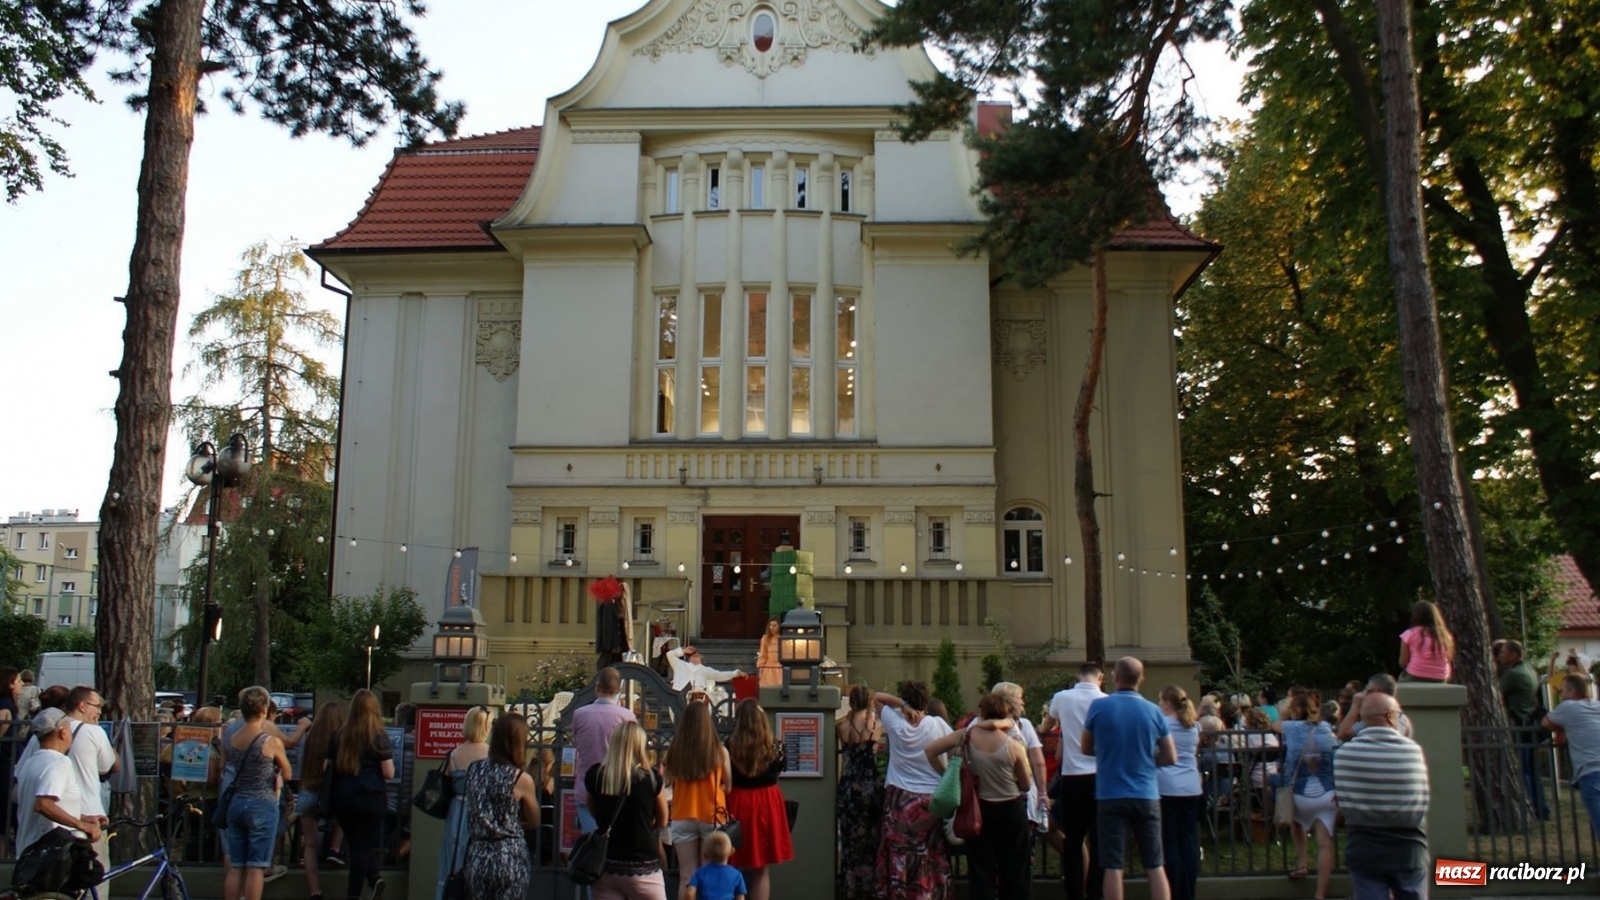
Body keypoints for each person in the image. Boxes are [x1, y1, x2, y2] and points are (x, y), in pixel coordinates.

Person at [1081, 658, 1176, 900]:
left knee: (1113, 866)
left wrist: (1108, 753)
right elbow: (1170, 756)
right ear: (1141, 679)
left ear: (1115, 677)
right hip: (1146, 794)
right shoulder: (1154, 711)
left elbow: (1085, 748)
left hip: (1110, 794)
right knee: (1155, 864)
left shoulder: (1098, 707)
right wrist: (1147, 758)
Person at [925, 693, 1032, 900]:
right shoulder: (1014, 745)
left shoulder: (966, 735)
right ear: (1005, 712)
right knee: (1015, 869)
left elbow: (930, 750)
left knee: (981, 870)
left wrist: (947, 773)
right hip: (1010, 809)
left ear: (982, 712)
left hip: (979, 809)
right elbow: (1026, 785)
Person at [1334, 693, 1430, 900]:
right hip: (1408, 849)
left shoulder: (1344, 754)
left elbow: (1343, 801)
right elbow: (1421, 801)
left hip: (1364, 848)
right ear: (1390, 716)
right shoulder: (1412, 751)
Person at [872, 681, 954, 899]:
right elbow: (954, 748)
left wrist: (902, 705)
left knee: (899, 851)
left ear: (906, 699)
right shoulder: (937, 724)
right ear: (926, 701)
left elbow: (876, 697)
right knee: (930, 852)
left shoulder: (896, 723)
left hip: (899, 797)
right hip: (931, 798)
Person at [1041, 663, 1108, 900]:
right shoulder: (1105, 701)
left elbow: (1046, 725)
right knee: (1099, 841)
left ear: (1078, 676)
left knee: (1073, 840)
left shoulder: (1062, 697)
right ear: (1100, 677)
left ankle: (1074, 891)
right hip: (1100, 778)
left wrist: (1040, 731)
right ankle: (1095, 892)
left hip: (1072, 777)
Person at [584, 721, 669, 900]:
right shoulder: (651, 778)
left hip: (606, 864)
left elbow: (592, 811)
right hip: (643, 864)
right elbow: (662, 820)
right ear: (640, 745)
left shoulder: (597, 775)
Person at [222, 685, 292, 900]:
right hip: (262, 803)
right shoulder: (270, 742)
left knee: (236, 866)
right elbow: (288, 773)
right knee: (255, 868)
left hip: (237, 802)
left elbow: (226, 764)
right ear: (264, 709)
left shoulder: (231, 738)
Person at [326, 689, 395, 900]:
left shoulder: (339, 735)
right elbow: (388, 773)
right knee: (363, 847)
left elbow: (327, 767)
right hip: (372, 796)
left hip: (344, 798)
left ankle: (373, 878)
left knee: (357, 845)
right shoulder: (378, 737)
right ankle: (357, 891)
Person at [463, 713, 540, 900]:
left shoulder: (474, 769)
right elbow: (535, 820)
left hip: (478, 853)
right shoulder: (520, 779)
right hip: (509, 855)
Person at [725, 700, 793, 900]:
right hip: (767, 802)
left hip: (737, 801)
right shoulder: (777, 747)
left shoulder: (729, 745)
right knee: (761, 869)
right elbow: (779, 771)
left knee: (731, 861)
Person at [664, 698, 732, 899]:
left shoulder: (674, 752)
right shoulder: (719, 751)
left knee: (687, 875)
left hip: (682, 815)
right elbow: (728, 786)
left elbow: (668, 781)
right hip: (712, 815)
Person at [12, 708, 102, 858]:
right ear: (63, 732)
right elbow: (43, 804)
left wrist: (82, 817)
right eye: (69, 728)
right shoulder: (59, 762)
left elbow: (46, 804)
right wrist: (82, 825)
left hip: (28, 851)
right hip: (51, 856)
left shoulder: (31, 762)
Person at [1278, 689, 1337, 900]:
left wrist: (1285, 716)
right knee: (1324, 844)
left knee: (1296, 823)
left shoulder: (1290, 727)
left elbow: (1272, 724)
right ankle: (1320, 894)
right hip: (1326, 792)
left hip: (1300, 792)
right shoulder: (1325, 727)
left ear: (1294, 710)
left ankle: (1302, 863)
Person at [435, 705, 490, 900]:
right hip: (482, 813)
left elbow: (448, 785)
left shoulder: (454, 754)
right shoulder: (491, 755)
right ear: (486, 727)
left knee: (452, 860)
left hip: (457, 814)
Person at [575, 667, 638, 832]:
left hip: (587, 786)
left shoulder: (580, 714)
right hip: (618, 786)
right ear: (618, 690)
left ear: (597, 687)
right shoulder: (627, 716)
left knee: (592, 844)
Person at [836, 684, 884, 900]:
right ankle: (869, 889)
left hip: (848, 788)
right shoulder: (875, 725)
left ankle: (849, 888)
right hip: (870, 788)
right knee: (871, 842)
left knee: (849, 843)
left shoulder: (842, 727)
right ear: (869, 701)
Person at [1156, 687, 1202, 900]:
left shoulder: (1163, 724)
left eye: (1160, 701)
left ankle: (1174, 890)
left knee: (1170, 841)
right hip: (1192, 786)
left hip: (1167, 785)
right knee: (1188, 840)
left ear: (1167, 703)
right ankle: (1189, 891)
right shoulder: (1194, 726)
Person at [1495, 641, 1549, 820]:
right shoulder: (1528, 669)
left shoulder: (1514, 674)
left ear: (1513, 655)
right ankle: (1542, 808)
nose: (1500, 656)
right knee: (1533, 771)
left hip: (1520, 723)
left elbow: (1495, 690)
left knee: (1523, 770)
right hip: (1530, 723)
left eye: (1503, 652)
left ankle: (1530, 808)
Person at [296, 702, 345, 900]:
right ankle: (335, 847)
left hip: (308, 791)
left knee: (309, 844)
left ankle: (315, 891)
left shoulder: (309, 738)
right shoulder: (340, 739)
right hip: (331, 793)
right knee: (343, 817)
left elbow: (300, 764)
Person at [1544, 672, 1600, 838]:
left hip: (1591, 772)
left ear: (1571, 692)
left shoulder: (1568, 707)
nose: (1560, 695)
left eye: (1561, 691)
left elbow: (1546, 722)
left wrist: (1562, 729)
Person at [1399, 599, 1455, 682]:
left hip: (1415, 674)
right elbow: (1449, 658)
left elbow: (1403, 662)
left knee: (1401, 679)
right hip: (1441, 676)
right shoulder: (1445, 636)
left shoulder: (1410, 634)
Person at [684, 830, 747, 900]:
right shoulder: (736, 875)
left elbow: (689, 894)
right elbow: (740, 898)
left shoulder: (699, 873)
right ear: (732, 852)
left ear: (705, 855)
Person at [666, 644, 743, 694]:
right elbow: (670, 654)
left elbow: (720, 675)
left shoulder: (705, 670)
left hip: (697, 696)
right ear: (689, 659)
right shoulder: (680, 664)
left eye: (698, 656)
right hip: (678, 694)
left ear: (701, 660)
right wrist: (684, 651)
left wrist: (735, 673)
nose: (695, 658)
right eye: (693, 656)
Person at [756, 618, 783, 689]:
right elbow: (763, 655)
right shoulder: (765, 639)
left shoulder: (783, 639)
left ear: (779, 626)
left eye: (774, 626)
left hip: (780, 668)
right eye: (770, 625)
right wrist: (760, 669)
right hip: (769, 668)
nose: (772, 628)